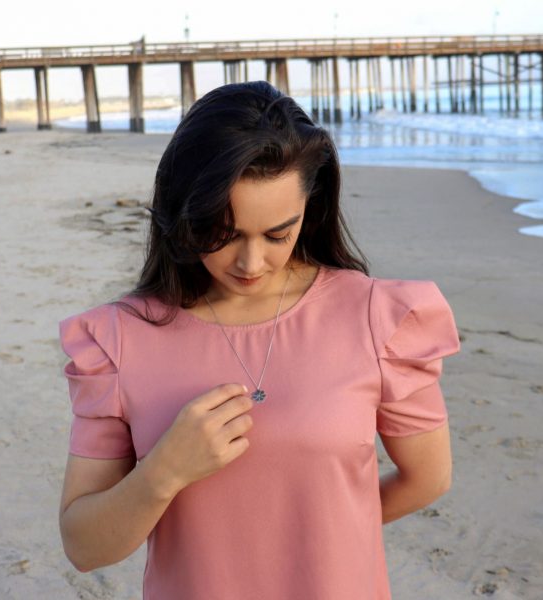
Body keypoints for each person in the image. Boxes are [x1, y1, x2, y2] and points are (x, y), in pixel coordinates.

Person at [58, 80, 460, 600]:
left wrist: (320, 537)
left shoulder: (379, 317)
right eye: (220, 234)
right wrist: (164, 472)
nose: (250, 264)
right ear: (183, 214)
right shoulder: (116, 340)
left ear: (309, 212)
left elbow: (428, 478)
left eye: (277, 234)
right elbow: (84, 548)